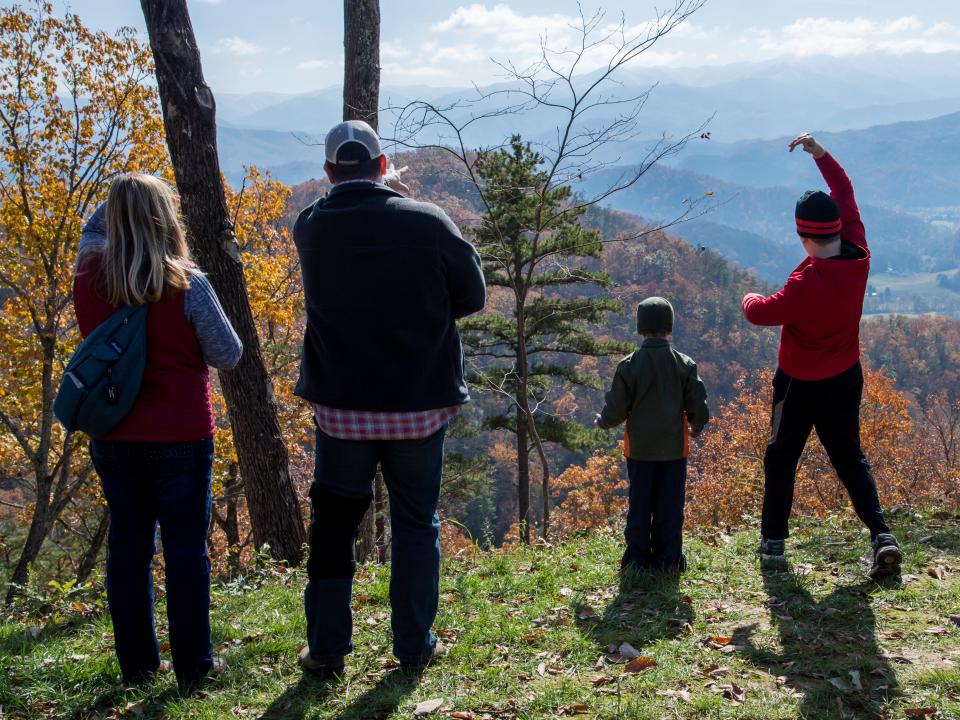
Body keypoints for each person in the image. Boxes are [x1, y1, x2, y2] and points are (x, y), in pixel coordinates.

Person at [293, 120, 486, 677]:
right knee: (415, 521)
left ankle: (327, 649)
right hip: (419, 403)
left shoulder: (312, 228)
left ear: (329, 172)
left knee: (334, 524)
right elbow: (470, 295)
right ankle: (413, 645)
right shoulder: (428, 223)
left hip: (341, 408)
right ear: (383, 166)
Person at [73, 174, 243, 691]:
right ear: (165, 219)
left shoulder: (89, 278)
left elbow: (91, 237)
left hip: (115, 431)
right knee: (186, 551)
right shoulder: (186, 281)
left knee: (128, 548)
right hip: (182, 435)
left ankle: (138, 667)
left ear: (111, 220)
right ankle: (195, 665)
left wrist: (110, 211)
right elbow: (228, 353)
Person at [741, 132, 902, 579]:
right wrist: (822, 156)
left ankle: (773, 543)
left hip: (797, 384)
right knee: (849, 456)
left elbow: (760, 313)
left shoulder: (804, 285)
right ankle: (881, 535)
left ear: (802, 234)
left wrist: (748, 295)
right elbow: (845, 194)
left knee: (781, 455)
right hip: (846, 376)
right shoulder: (858, 251)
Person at [595, 297, 709, 575]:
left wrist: (603, 421)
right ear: (668, 328)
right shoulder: (684, 364)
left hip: (640, 451)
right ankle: (669, 560)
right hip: (674, 450)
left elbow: (617, 408)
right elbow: (698, 405)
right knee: (670, 505)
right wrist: (696, 426)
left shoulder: (629, 366)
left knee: (640, 505)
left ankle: (637, 561)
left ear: (641, 328)